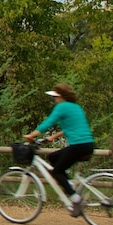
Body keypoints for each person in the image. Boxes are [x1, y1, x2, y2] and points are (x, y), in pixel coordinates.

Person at [24, 83, 95, 217]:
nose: (54, 99)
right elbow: (71, 127)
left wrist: (32, 135)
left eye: (55, 97)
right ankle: (69, 187)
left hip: (77, 145)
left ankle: (75, 198)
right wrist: (53, 137)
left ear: (61, 96)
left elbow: (48, 122)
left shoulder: (61, 107)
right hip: (88, 144)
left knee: (56, 171)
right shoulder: (76, 107)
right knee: (53, 157)